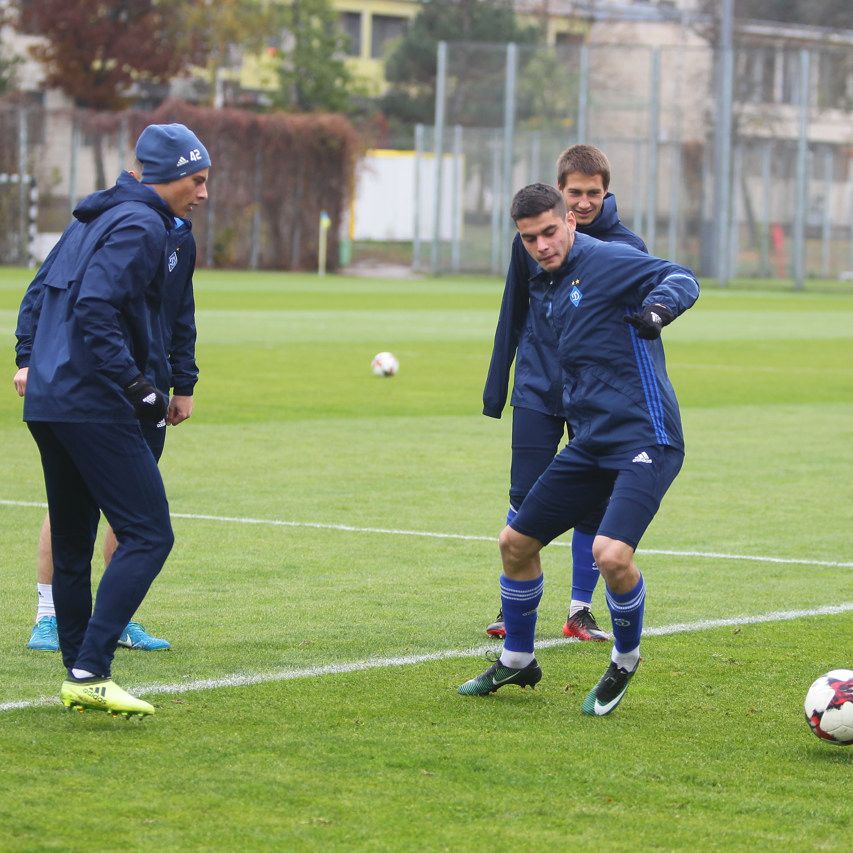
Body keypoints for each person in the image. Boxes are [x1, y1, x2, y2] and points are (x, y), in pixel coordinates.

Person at [460, 183, 699, 715]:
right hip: (591, 442)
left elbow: (681, 276)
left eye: (550, 231)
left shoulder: (609, 259)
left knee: (610, 553)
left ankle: (625, 658)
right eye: (530, 238)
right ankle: (518, 658)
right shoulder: (544, 280)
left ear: (570, 221)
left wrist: (659, 311)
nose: (542, 245)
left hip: (647, 436)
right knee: (515, 542)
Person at [13, 123, 210, 717]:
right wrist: (136, 385)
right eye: (196, 179)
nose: (202, 192)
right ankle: (94, 663)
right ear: (166, 175)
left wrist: (30, 360)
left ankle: (79, 675)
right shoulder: (141, 223)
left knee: (73, 543)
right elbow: (95, 305)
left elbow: (43, 292)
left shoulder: (93, 219)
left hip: (51, 402)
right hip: (95, 403)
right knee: (150, 533)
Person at [482, 145, 647, 641]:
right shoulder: (532, 239)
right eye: (574, 192)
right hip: (538, 383)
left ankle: (579, 610)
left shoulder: (625, 247)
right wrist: (498, 387)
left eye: (592, 192)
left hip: (595, 394)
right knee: (524, 493)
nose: (583, 202)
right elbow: (513, 311)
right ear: (560, 192)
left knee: (592, 503)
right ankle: (511, 606)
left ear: (605, 192)